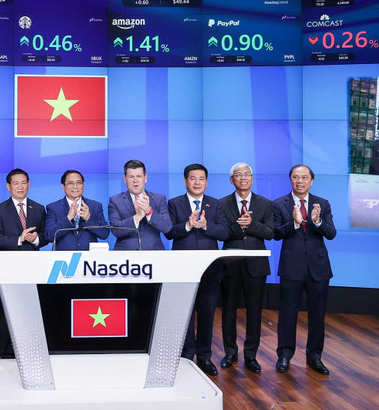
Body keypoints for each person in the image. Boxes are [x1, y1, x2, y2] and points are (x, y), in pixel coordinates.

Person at [272, 164, 337, 375]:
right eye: (296, 177)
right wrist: (294, 223)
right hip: (292, 266)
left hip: (318, 267)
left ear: (311, 180)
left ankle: (315, 357)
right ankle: (284, 355)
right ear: (290, 179)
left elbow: (331, 233)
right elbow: (276, 233)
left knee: (317, 314)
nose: (300, 181)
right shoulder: (279, 204)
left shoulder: (323, 204)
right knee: (287, 313)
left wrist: (317, 222)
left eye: (304, 177)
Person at [165, 163, 228, 376]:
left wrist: (206, 226)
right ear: (185, 181)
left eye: (201, 179)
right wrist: (188, 226)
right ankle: (186, 356)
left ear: (206, 182)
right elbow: (169, 232)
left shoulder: (215, 204)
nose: (197, 182)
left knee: (207, 314)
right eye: (193, 178)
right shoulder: (174, 204)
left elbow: (224, 232)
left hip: (209, 271)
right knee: (185, 315)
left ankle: (204, 357)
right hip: (182, 270)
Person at [219, 162, 273, 374]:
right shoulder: (221, 204)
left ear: (252, 178)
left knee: (254, 311)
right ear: (231, 180)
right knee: (228, 311)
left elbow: (270, 233)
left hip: (256, 265)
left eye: (247, 174)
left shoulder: (266, 204)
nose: (243, 178)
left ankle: (251, 355)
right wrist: (237, 227)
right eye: (238, 175)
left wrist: (252, 225)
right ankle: (230, 352)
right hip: (230, 264)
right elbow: (221, 232)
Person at [0, 168, 48, 358]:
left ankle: (33, 350)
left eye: (24, 182)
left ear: (29, 184)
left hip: (33, 266)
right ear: (8, 186)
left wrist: (35, 239)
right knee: (9, 309)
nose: (20, 187)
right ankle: (7, 352)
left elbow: (46, 236)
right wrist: (19, 239)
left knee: (32, 309)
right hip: (9, 267)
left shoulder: (39, 209)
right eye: (16, 183)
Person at [108, 159, 172, 250]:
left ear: (145, 178)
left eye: (139, 176)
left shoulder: (159, 199)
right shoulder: (115, 201)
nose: (135, 180)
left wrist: (149, 211)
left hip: (154, 255)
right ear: (125, 179)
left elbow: (167, 227)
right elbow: (115, 230)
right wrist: (137, 217)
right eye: (131, 177)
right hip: (125, 257)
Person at [45, 170, 109, 250]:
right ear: (63, 186)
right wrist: (68, 218)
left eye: (79, 183)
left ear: (83, 185)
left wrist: (89, 219)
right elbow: (49, 236)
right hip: (63, 259)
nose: (75, 187)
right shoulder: (53, 207)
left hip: (89, 259)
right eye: (70, 183)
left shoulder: (95, 206)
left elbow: (104, 234)